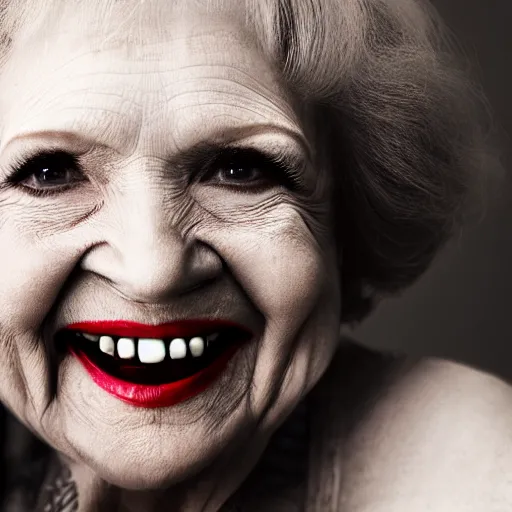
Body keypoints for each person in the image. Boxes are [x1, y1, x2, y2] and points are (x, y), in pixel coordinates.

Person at [0, 0, 507, 510]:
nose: (152, 271)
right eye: (50, 173)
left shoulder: (475, 471)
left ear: (347, 223)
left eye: (240, 170)